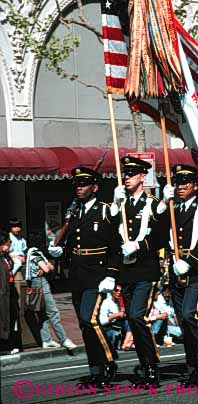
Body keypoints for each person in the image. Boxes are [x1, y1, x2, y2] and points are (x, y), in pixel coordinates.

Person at [49, 166, 121, 389]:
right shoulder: (75, 211)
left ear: (95, 187)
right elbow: (73, 241)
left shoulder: (106, 210)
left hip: (97, 274)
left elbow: (115, 247)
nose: (80, 188)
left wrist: (111, 275)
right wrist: (61, 252)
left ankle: (109, 361)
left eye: (84, 184)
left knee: (90, 319)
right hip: (78, 274)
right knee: (83, 324)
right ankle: (95, 368)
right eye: (77, 185)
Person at [111, 156, 166, 386]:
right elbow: (111, 236)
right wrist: (114, 206)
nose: (127, 177)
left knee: (137, 316)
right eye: (125, 174)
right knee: (132, 321)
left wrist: (139, 245)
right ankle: (145, 364)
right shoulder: (121, 204)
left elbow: (161, 236)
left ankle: (152, 365)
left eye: (132, 174)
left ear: (143, 176)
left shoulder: (153, 204)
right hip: (126, 272)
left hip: (146, 270)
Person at [161, 164, 198, 386]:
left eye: (185, 183)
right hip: (175, 268)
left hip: (197, 270)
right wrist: (163, 204)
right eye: (178, 183)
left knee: (189, 314)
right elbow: (158, 230)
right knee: (183, 320)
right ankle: (192, 366)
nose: (180, 186)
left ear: (195, 185)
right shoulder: (173, 208)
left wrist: (189, 262)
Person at [25, 247, 77, 349]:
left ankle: (46, 340)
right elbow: (47, 268)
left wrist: (48, 266)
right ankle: (64, 339)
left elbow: (50, 267)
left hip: (34, 284)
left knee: (43, 314)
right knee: (53, 312)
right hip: (41, 283)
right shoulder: (36, 254)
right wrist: (47, 266)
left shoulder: (29, 254)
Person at [0, 230, 22, 355]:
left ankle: (11, 343)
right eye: (8, 243)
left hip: (10, 293)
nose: (10, 245)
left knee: (12, 318)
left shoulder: (6, 256)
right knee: (4, 318)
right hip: (3, 294)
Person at [99, 284, 125, 348]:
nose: (119, 293)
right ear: (111, 291)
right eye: (116, 290)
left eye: (120, 291)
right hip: (109, 328)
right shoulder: (106, 303)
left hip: (121, 327)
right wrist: (116, 315)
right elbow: (102, 321)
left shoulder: (122, 302)